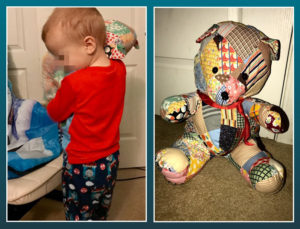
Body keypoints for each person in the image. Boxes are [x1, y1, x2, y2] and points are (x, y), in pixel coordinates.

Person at [41, 7, 126, 220]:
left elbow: (56, 113)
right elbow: (122, 38)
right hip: (111, 159)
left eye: (62, 56)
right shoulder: (119, 69)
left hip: (82, 163)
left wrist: (51, 95)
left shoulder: (73, 83)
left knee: (78, 210)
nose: (60, 63)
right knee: (101, 205)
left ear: (89, 45)